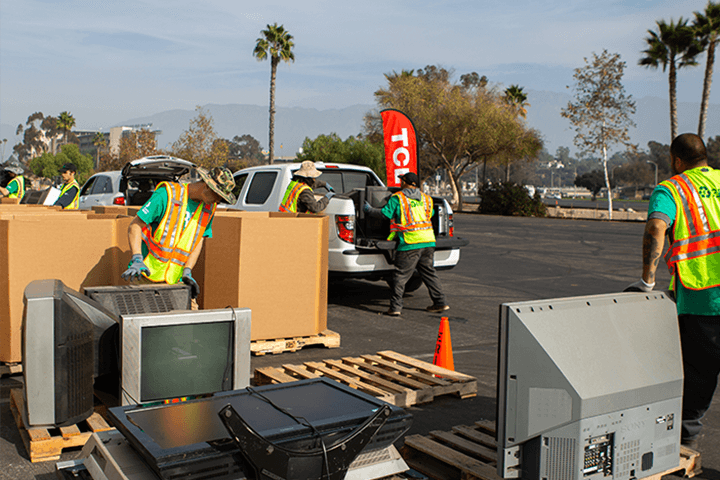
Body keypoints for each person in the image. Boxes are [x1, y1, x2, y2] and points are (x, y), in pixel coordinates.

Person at [625, 133, 720, 450]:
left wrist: (647, 282)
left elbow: (656, 227)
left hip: (702, 298)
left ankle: (685, 443)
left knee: (698, 374)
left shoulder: (672, 188)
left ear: (676, 160)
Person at [121, 167, 236, 299]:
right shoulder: (167, 195)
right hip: (145, 275)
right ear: (206, 186)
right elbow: (135, 225)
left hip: (175, 281)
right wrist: (137, 258)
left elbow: (198, 240)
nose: (218, 201)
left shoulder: (208, 208)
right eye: (217, 196)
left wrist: (187, 270)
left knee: (187, 317)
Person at [364, 172, 449, 316]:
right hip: (428, 241)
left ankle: (395, 308)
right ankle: (440, 302)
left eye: (402, 180)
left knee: (400, 276)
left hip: (410, 242)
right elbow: (431, 214)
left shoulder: (398, 198)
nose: (400, 182)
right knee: (428, 273)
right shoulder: (426, 198)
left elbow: (385, 214)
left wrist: (369, 210)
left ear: (405, 182)